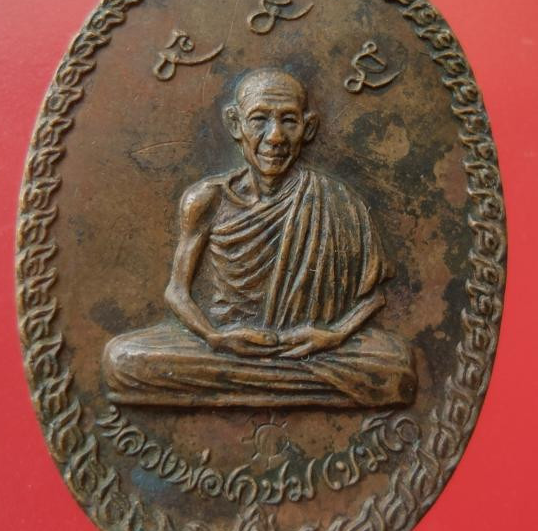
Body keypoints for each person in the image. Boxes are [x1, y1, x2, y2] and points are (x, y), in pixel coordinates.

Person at [103, 68, 417, 407]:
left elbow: (372, 298)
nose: (275, 137)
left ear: (309, 128)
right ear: (235, 123)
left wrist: (333, 335)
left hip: (310, 348)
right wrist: (215, 337)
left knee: (395, 366)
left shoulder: (339, 202)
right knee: (122, 359)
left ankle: (255, 383)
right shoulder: (206, 200)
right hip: (227, 346)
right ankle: (290, 385)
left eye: (289, 121)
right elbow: (176, 291)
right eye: (259, 120)